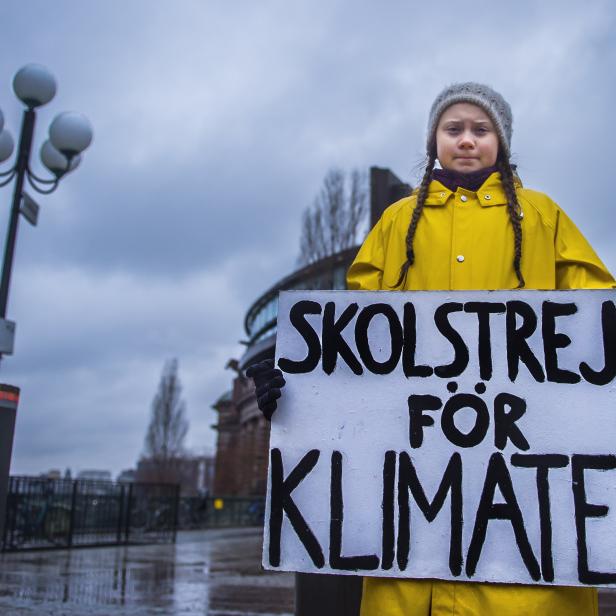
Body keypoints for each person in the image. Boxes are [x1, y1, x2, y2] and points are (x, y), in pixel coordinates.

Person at [247, 82, 615, 616]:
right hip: (410, 563)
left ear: (502, 142)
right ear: (434, 140)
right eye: (454, 128)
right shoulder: (397, 222)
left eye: (481, 129)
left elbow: (594, 321)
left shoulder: (544, 216)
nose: (467, 140)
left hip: (528, 563)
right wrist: (300, 388)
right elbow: (356, 343)